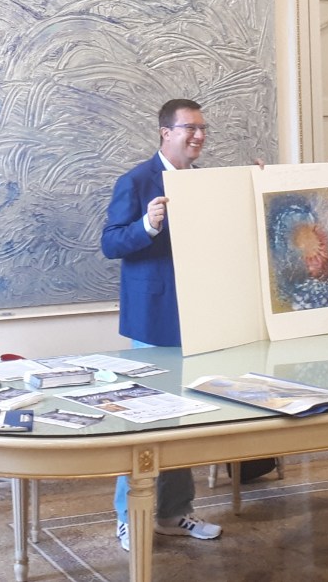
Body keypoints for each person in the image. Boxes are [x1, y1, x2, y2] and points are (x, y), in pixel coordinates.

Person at [100, 98, 224, 552]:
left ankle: (174, 513)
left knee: (184, 418)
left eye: (203, 128)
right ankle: (128, 518)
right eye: (190, 128)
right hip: (153, 320)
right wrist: (147, 226)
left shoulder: (207, 183)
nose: (199, 136)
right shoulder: (135, 181)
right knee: (145, 418)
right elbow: (110, 243)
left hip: (200, 316)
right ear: (165, 132)